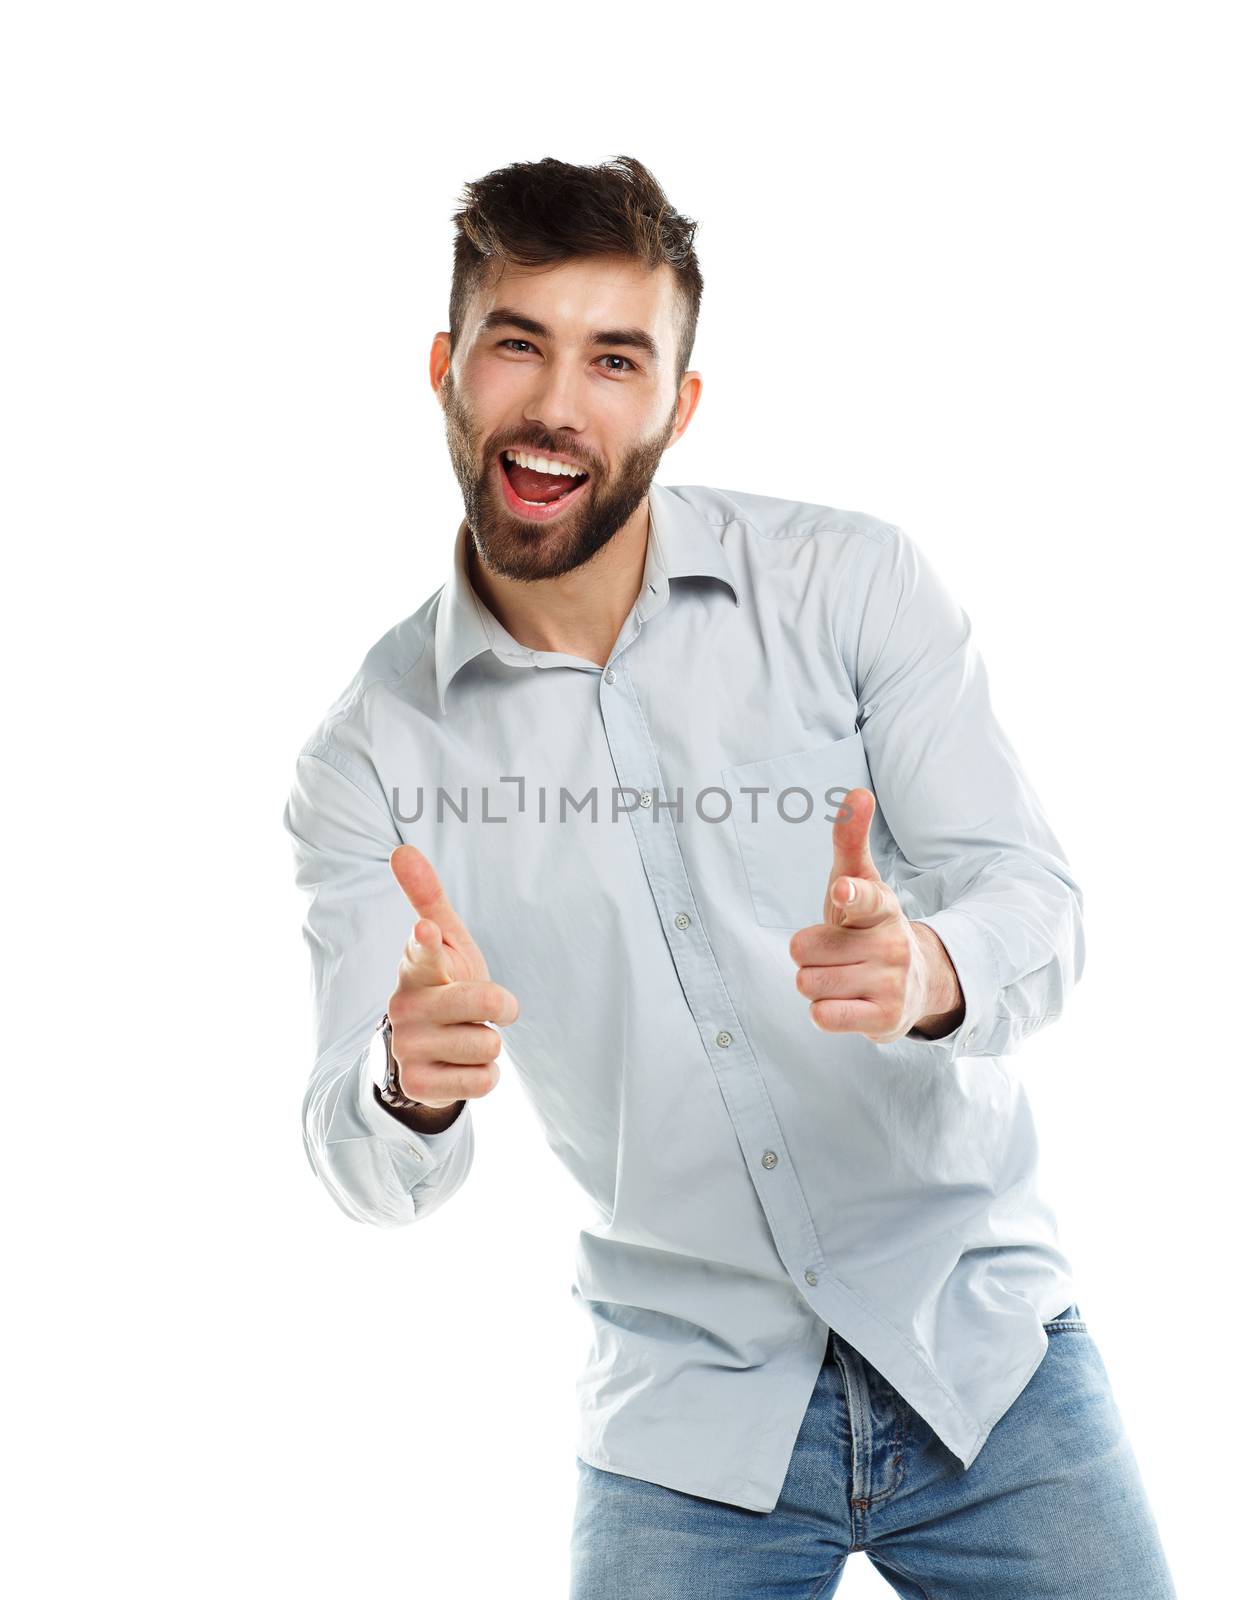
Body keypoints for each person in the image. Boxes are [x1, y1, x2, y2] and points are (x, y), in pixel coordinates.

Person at [282, 154, 1177, 1597]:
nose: (559, 403)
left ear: (676, 404)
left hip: (983, 1355)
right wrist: (405, 1082)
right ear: (449, 369)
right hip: (685, 1423)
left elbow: (1036, 903)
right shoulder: (369, 756)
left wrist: (931, 970)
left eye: (614, 359)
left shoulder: (854, 587)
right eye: (518, 342)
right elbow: (356, 1154)